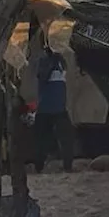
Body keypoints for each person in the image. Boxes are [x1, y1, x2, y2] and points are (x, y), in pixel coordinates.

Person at [33, 43, 75, 173]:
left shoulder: (61, 61)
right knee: (41, 141)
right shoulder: (43, 61)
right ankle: (38, 167)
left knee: (67, 138)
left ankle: (68, 166)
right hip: (45, 108)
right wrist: (51, 62)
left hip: (59, 108)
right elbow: (42, 77)